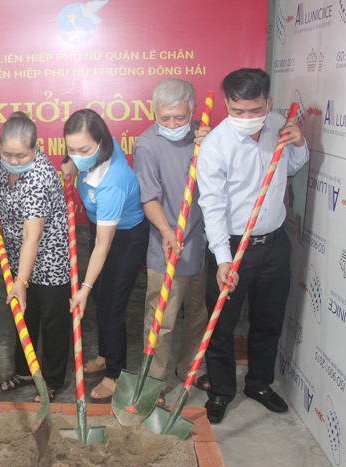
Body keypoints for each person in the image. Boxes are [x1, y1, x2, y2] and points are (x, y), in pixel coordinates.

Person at [196, 68, 309, 423]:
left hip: (274, 244)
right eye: (237, 110)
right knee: (221, 325)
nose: (246, 118)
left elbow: (293, 167)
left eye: (255, 110)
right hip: (230, 247)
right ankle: (220, 391)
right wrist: (223, 259)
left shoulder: (279, 126)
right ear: (227, 104)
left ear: (268, 103)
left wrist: (299, 143)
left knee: (268, 320)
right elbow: (212, 207)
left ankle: (259, 384)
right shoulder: (215, 146)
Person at [0, 112, 72, 402]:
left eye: (21, 155)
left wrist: (21, 281)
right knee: (23, 315)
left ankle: (52, 381)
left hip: (49, 258)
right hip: (16, 253)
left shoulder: (39, 178)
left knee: (52, 320)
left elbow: (33, 236)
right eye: (7, 153)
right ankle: (23, 371)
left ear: (35, 148)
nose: (13, 160)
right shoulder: (2, 160)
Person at [61, 109, 149, 402]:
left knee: (111, 304)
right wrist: (72, 165)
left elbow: (103, 245)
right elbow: (75, 159)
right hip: (100, 228)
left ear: (101, 143)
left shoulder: (114, 182)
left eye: (84, 150)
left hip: (125, 238)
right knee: (101, 296)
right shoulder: (96, 151)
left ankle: (115, 372)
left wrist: (83, 289)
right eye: (71, 149)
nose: (77, 156)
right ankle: (104, 355)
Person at [132, 79, 211, 406]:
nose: (173, 124)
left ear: (192, 110)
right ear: (155, 112)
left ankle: (192, 367)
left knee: (197, 314)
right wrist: (166, 231)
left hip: (199, 244)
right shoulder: (147, 145)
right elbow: (148, 197)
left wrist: (213, 146)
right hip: (167, 246)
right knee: (161, 322)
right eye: (164, 118)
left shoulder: (205, 135)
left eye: (180, 117)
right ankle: (154, 381)